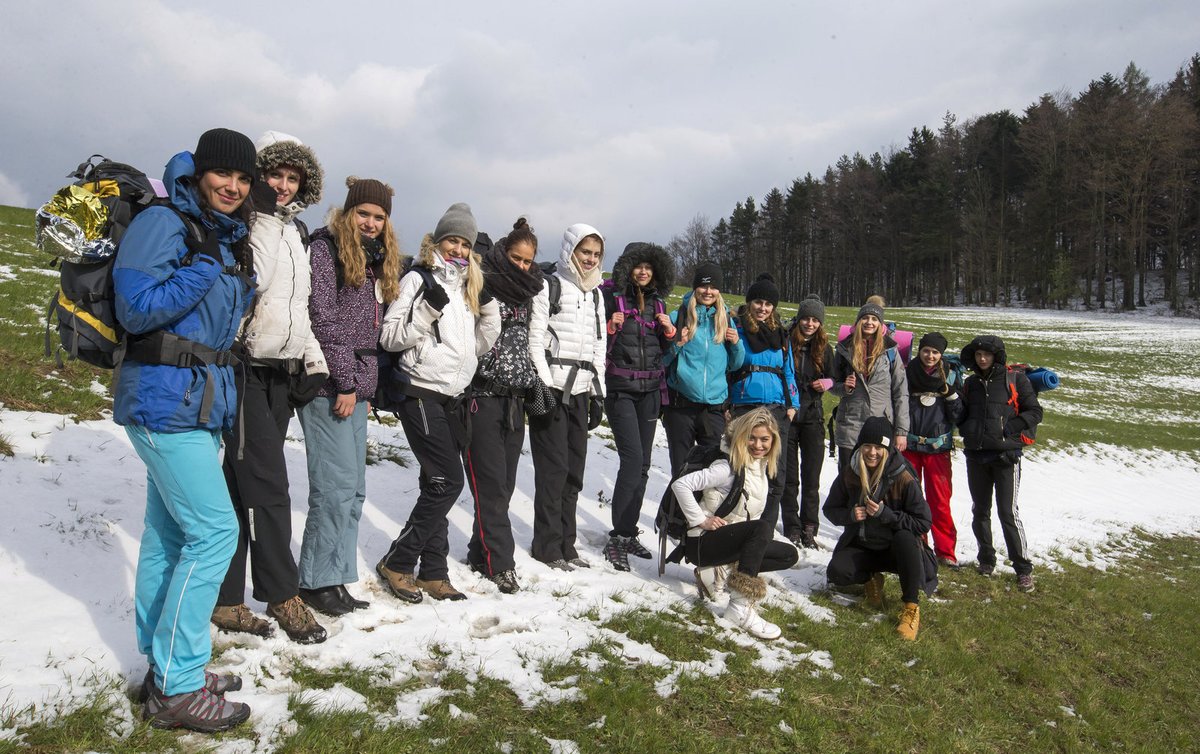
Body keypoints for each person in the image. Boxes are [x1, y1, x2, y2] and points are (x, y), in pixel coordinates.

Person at [114, 128, 257, 731]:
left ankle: (167, 667)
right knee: (215, 535)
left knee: (170, 538)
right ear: (199, 172)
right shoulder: (166, 223)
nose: (234, 186)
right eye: (223, 174)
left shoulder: (218, 234)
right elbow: (137, 308)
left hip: (195, 405)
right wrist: (204, 270)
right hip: (162, 402)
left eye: (243, 179)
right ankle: (177, 687)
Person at [212, 131, 329, 643]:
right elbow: (235, 294)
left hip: (281, 371)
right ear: (258, 175)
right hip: (245, 369)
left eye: (292, 177)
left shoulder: (293, 231)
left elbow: (295, 306)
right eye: (274, 174)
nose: (282, 185)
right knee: (270, 487)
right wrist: (237, 347)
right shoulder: (245, 224)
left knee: (241, 489)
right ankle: (283, 594)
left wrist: (313, 359)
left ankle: (226, 599)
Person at [376, 203, 501, 602]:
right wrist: (427, 311)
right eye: (453, 240)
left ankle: (434, 571)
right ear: (437, 239)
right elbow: (391, 337)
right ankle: (398, 561)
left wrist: (491, 313)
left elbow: (474, 349)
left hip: (453, 397)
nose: (459, 249)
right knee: (448, 481)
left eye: (466, 243)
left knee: (435, 482)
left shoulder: (468, 286)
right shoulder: (419, 278)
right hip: (420, 391)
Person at [295, 177, 402, 615]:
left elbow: (369, 331)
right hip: (330, 386)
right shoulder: (326, 249)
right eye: (364, 214)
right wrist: (345, 381)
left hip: (357, 385)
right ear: (348, 212)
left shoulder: (376, 259)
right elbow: (323, 319)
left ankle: (336, 578)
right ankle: (314, 581)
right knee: (333, 489)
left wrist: (363, 387)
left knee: (353, 490)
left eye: (379, 217)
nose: (371, 223)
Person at [463, 218, 545, 594]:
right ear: (502, 252)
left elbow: (533, 343)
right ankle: (502, 564)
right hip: (482, 394)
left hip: (516, 399)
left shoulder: (530, 294)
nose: (522, 267)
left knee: (506, 485)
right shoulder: (481, 284)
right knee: (491, 484)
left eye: (529, 262)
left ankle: (480, 552)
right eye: (517, 258)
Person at [669, 407, 798, 639]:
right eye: (752, 438)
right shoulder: (726, 467)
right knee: (762, 529)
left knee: (788, 555)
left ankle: (719, 572)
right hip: (702, 542)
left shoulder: (760, 466)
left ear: (774, 440)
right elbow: (681, 485)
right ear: (741, 437)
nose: (758, 445)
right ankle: (739, 607)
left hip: (726, 540)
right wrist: (701, 520)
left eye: (765, 439)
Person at [527, 223, 607, 570]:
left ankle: (567, 543)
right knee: (553, 470)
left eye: (595, 254)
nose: (589, 259)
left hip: (580, 389)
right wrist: (543, 385)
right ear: (569, 251)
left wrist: (597, 392)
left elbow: (599, 344)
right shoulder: (549, 285)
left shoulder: (597, 294)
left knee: (574, 471)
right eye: (583, 252)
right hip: (553, 387)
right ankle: (547, 546)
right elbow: (534, 338)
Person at [824, 417, 936, 641]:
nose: (872, 452)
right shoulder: (850, 472)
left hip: (898, 551)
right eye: (867, 446)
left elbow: (923, 522)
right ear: (860, 446)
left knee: (905, 537)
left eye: (878, 447)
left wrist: (888, 515)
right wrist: (850, 515)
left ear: (888, 448)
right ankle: (872, 580)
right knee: (838, 571)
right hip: (864, 545)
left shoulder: (903, 475)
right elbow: (830, 509)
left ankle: (911, 608)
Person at [601, 242, 676, 571]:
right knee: (632, 462)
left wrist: (669, 333)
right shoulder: (611, 298)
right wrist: (609, 326)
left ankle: (629, 531)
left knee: (644, 465)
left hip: (649, 390)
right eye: (637, 266)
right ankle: (617, 536)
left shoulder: (658, 303)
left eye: (648, 267)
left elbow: (659, 348)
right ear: (628, 268)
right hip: (621, 390)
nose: (643, 271)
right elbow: (594, 340)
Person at [957, 335, 1043, 592]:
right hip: (977, 456)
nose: (982, 359)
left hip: (1006, 457)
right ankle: (986, 560)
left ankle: (1023, 568)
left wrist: (1010, 429)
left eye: (987, 354)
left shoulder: (1015, 379)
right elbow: (962, 414)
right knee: (980, 510)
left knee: (1008, 513)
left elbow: (1035, 411)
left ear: (996, 356)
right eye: (978, 355)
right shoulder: (970, 383)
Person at [660, 261, 744, 476]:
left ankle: (703, 511)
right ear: (695, 287)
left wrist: (736, 345)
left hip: (712, 409)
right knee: (681, 472)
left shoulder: (725, 320)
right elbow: (662, 361)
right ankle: (676, 511)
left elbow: (735, 365)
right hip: (681, 407)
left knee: (713, 473)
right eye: (704, 286)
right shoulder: (678, 317)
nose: (708, 291)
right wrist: (677, 344)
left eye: (713, 287)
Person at [902, 332, 964, 568]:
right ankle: (918, 546)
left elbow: (959, 414)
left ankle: (946, 552)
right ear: (919, 350)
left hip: (938, 448)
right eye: (926, 350)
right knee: (912, 499)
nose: (930, 355)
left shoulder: (950, 375)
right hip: (909, 447)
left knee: (939, 501)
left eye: (935, 352)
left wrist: (950, 395)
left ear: (941, 355)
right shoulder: (908, 372)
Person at [729, 273, 798, 486]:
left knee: (777, 470)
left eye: (768, 304)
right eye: (758, 302)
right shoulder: (736, 328)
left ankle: (767, 520)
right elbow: (726, 367)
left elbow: (788, 371)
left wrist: (793, 405)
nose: (763, 308)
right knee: (741, 466)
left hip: (776, 407)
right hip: (744, 404)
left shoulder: (781, 334)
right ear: (750, 302)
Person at [780, 294, 835, 550]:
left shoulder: (825, 349)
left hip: (813, 418)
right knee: (789, 478)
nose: (810, 324)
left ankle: (809, 528)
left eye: (815, 320)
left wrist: (828, 382)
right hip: (788, 418)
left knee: (811, 478)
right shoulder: (786, 342)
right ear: (799, 319)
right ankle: (791, 526)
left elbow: (836, 377)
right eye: (806, 319)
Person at [830, 297, 909, 472]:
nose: (869, 322)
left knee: (878, 480)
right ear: (858, 321)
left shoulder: (890, 350)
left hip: (881, 424)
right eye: (865, 318)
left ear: (881, 324)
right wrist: (842, 388)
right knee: (848, 478)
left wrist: (901, 431)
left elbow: (900, 391)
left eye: (874, 319)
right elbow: (831, 384)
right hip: (850, 423)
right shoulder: (844, 348)